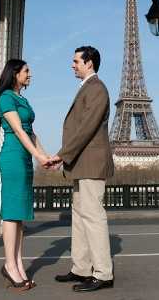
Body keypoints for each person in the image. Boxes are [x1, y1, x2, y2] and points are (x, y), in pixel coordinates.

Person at [48, 46, 115, 292]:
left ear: (90, 63)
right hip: (81, 163)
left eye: (76, 61)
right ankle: (82, 268)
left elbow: (86, 128)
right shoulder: (88, 88)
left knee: (93, 218)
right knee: (79, 217)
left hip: (90, 163)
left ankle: (103, 273)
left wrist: (61, 155)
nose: (72, 64)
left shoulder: (97, 88)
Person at [0, 59, 50, 291]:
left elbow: (31, 133)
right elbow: (17, 130)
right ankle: (9, 265)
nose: (30, 74)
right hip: (13, 157)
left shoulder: (22, 99)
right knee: (12, 214)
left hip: (23, 158)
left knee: (19, 215)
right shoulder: (6, 97)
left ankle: (18, 264)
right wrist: (38, 156)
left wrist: (45, 156)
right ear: (14, 74)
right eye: (26, 71)